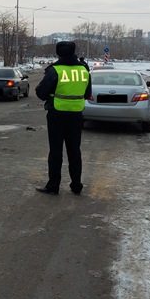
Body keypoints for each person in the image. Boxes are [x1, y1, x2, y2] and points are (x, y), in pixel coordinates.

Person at [35, 40, 92, 195]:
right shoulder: (84, 70)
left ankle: (53, 186)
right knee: (75, 151)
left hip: (57, 115)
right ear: (74, 52)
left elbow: (41, 93)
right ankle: (76, 185)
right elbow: (87, 94)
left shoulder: (55, 70)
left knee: (55, 151)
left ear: (58, 52)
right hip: (76, 115)